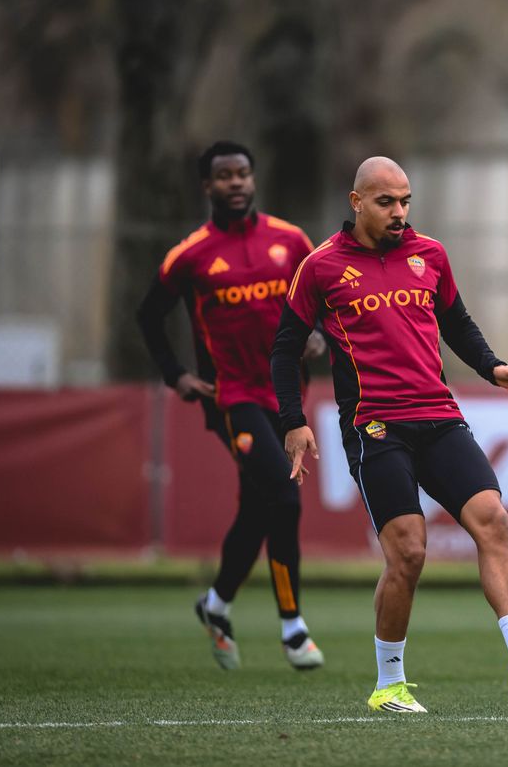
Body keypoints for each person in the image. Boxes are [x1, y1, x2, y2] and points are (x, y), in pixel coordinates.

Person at [271, 156, 508, 713]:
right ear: (357, 201)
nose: (399, 212)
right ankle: (389, 684)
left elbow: (456, 322)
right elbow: (285, 347)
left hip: (439, 415)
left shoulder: (429, 254)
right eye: (386, 201)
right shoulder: (320, 267)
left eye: (405, 201)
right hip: (374, 426)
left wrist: (493, 368)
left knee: (495, 520)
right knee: (409, 553)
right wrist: (293, 421)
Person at [136, 140, 325, 672]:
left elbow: (323, 298)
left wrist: (317, 335)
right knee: (285, 498)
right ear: (207, 186)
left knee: (259, 506)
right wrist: (177, 376)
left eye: (243, 173)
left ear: (254, 179)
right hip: (231, 397)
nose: (236, 183)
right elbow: (148, 315)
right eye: (224, 175)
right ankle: (293, 629)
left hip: (285, 396)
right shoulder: (191, 253)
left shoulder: (289, 241)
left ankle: (215, 606)